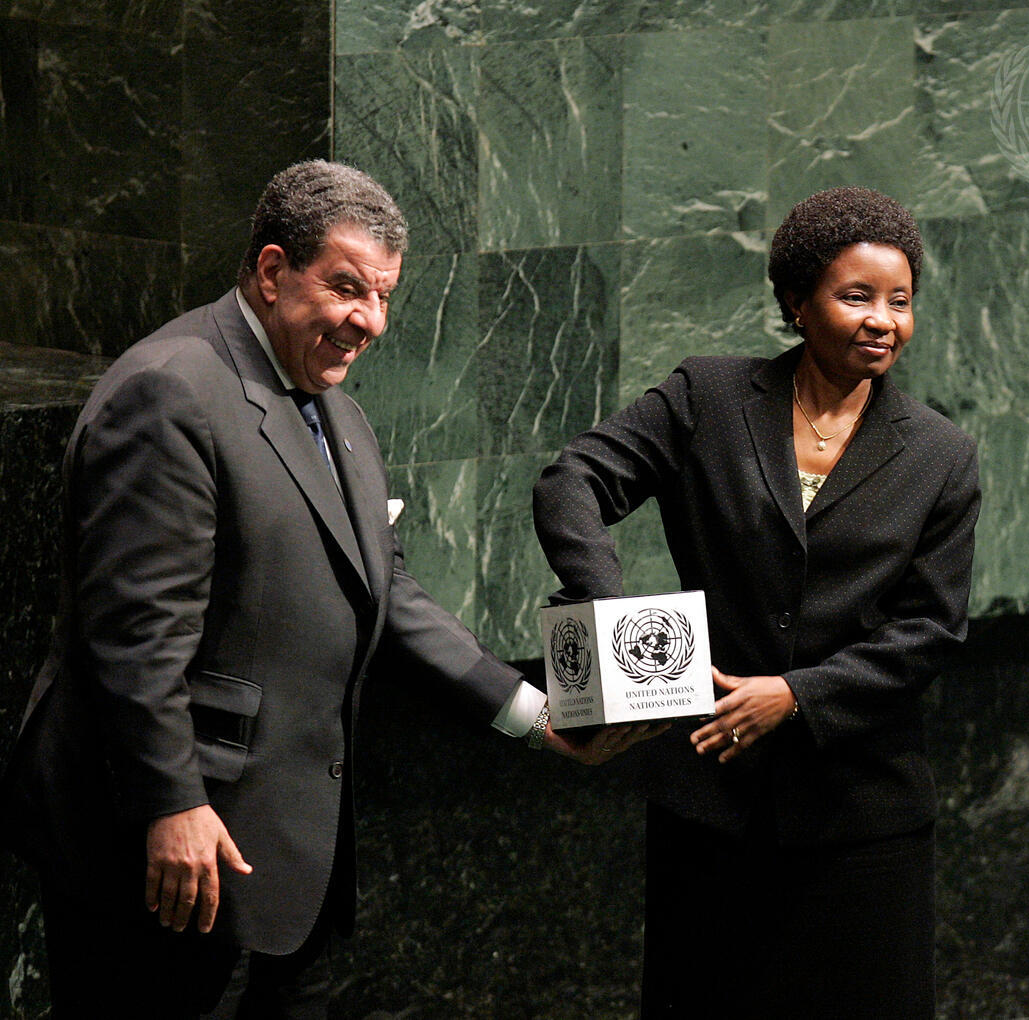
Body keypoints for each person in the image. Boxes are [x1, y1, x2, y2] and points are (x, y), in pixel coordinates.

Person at [0, 159, 651, 1019]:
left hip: (287, 858)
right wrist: (173, 802)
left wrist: (534, 715)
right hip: (170, 855)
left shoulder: (331, 405)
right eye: (346, 288)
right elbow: (135, 635)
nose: (368, 321)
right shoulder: (169, 392)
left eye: (383, 296)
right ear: (273, 271)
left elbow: (387, 592)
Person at [532, 186, 981, 1018]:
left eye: (900, 300)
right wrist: (610, 616)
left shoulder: (941, 454)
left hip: (863, 817)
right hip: (712, 803)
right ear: (797, 302)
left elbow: (931, 628)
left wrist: (796, 696)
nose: (883, 320)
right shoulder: (708, 397)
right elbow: (574, 480)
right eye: (857, 296)